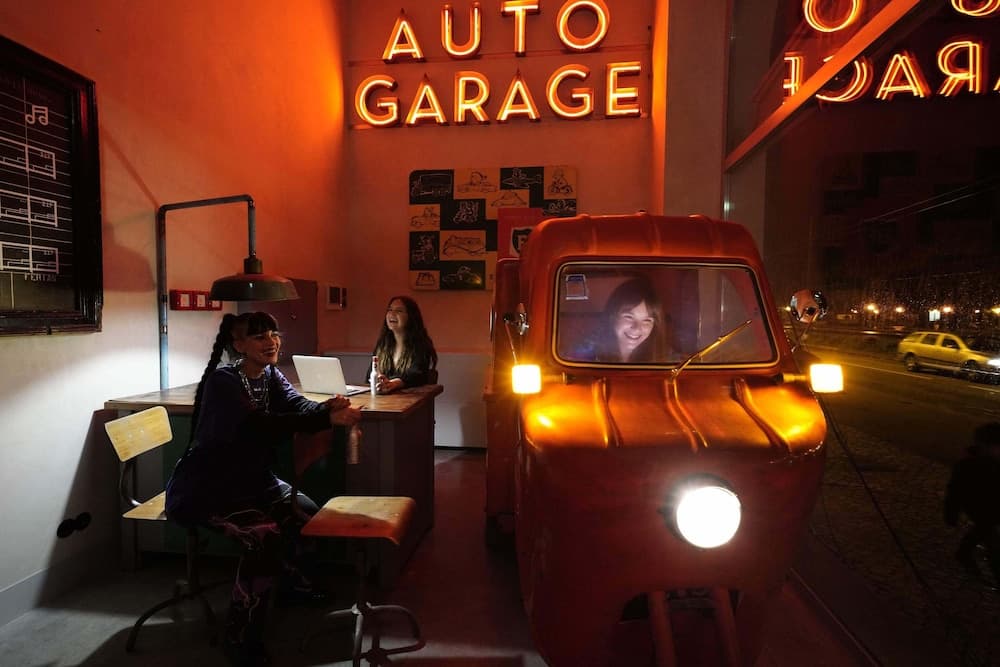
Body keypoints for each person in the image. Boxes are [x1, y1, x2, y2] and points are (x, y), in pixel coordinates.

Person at [164, 311, 361, 665]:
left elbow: (295, 405)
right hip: (208, 488)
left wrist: (323, 408)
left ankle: (290, 587)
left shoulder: (270, 374)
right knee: (264, 537)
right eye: (258, 337)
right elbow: (259, 425)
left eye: (273, 333)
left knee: (306, 513)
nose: (271, 342)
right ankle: (240, 636)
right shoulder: (224, 382)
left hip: (253, 481)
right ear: (238, 345)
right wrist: (323, 418)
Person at [944, 421, 1000, 584]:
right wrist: (951, 514)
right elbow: (954, 491)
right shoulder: (967, 465)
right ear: (985, 446)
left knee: (983, 529)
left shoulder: (994, 461)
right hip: (978, 506)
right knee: (990, 537)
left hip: (993, 506)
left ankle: (964, 552)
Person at [574, 276, 668, 363]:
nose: (637, 328)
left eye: (647, 321)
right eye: (629, 317)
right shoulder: (587, 352)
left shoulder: (666, 358)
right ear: (612, 316)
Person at [368, 295, 438, 393]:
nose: (392, 314)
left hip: (410, 399)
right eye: (390, 310)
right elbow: (370, 374)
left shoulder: (421, 344)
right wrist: (378, 379)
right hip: (382, 398)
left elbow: (417, 375)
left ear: (411, 317)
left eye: (399, 311)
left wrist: (394, 383)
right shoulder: (383, 344)